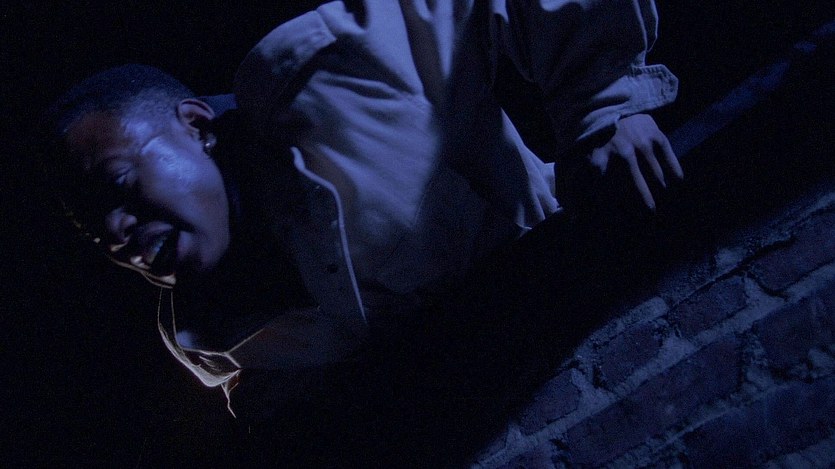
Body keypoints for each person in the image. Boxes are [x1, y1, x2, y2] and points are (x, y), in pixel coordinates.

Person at [43, 0, 681, 408]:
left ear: (197, 126)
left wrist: (604, 103)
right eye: (97, 235)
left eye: (118, 185)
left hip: (624, 339)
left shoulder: (332, 72)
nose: (116, 232)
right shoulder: (204, 342)